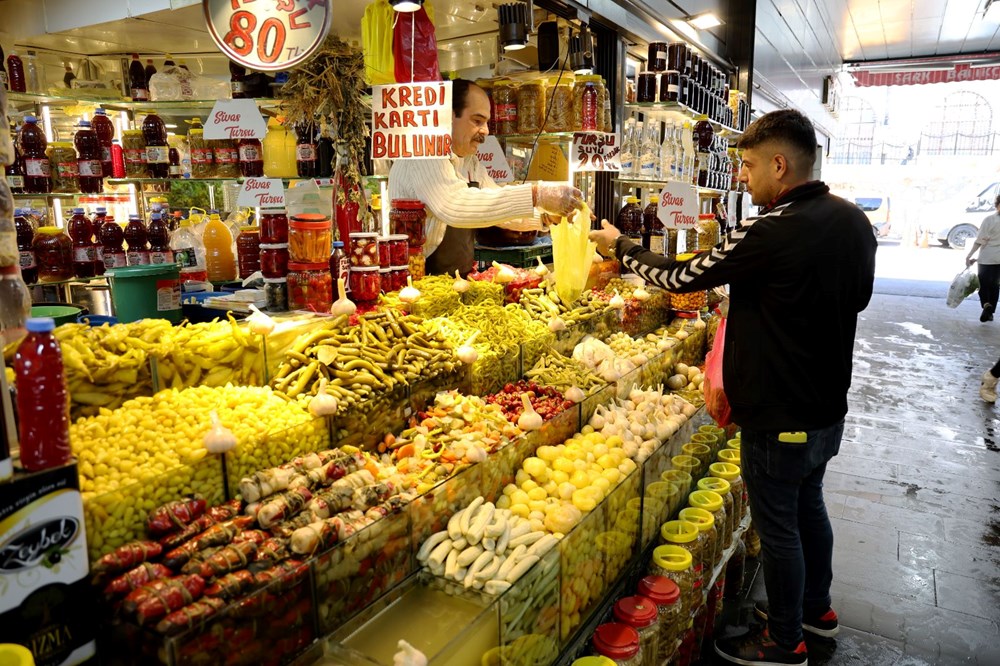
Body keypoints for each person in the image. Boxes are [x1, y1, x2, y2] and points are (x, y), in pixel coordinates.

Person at [591, 109, 877, 666]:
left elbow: (682, 276)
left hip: (779, 409)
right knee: (808, 505)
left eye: (747, 166)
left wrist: (621, 245)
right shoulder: (853, 221)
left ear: (779, 164)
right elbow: (857, 300)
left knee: (779, 527)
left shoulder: (770, 227)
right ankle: (816, 612)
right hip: (826, 406)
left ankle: (784, 640)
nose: (741, 177)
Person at [388, 79, 584, 276]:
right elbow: (455, 205)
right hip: (416, 280)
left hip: (455, 279)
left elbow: (494, 201)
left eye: (487, 123)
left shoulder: (469, 161)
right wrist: (536, 195)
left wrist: (546, 216)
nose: (486, 131)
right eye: (477, 121)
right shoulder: (424, 153)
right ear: (448, 116)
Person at [965, 194, 1000, 322]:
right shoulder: (989, 219)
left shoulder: (989, 220)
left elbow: (980, 241)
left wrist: (969, 255)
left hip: (987, 257)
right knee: (995, 285)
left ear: (997, 205)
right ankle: (990, 313)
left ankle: (986, 305)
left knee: (983, 284)